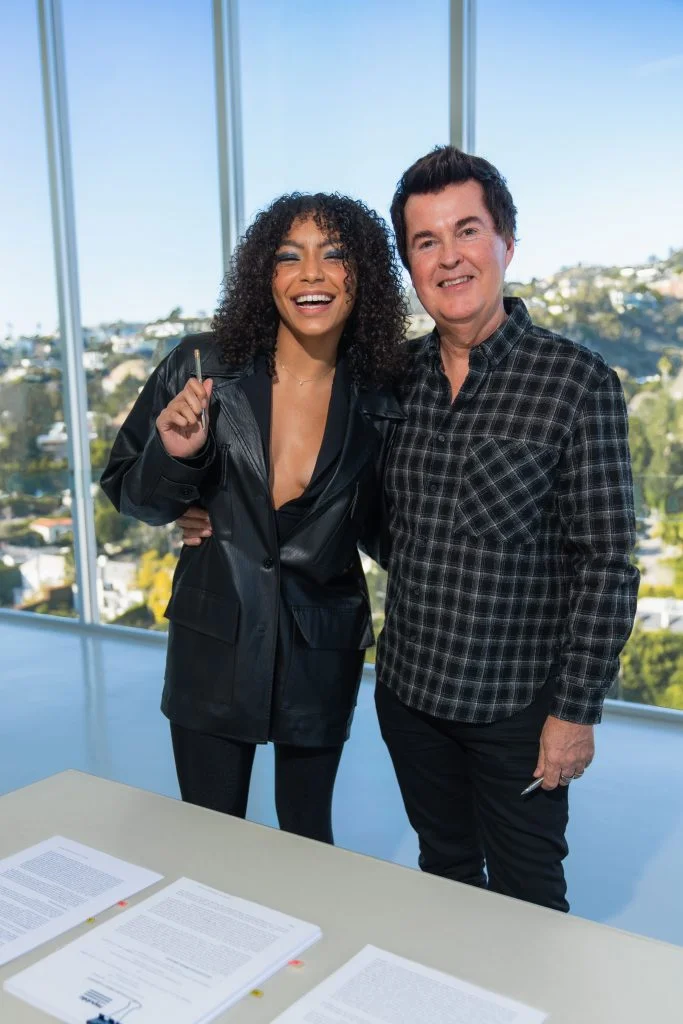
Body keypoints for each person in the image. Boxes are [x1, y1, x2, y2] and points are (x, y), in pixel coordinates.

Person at [371, 145, 639, 911]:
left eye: (467, 231)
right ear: (410, 264)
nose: (448, 257)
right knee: (446, 874)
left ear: (505, 244)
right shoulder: (393, 380)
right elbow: (374, 517)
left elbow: (606, 562)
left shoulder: (575, 382)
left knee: (529, 902)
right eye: (425, 241)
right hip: (408, 693)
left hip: (516, 708)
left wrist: (574, 711)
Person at [100, 192, 406, 845]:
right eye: (289, 257)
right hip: (213, 639)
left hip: (321, 650)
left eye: (334, 255)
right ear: (264, 275)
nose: (311, 273)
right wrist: (177, 460)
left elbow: (390, 531)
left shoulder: (383, 397)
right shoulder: (199, 366)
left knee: (308, 842)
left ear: (364, 276)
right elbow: (130, 493)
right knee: (210, 843)